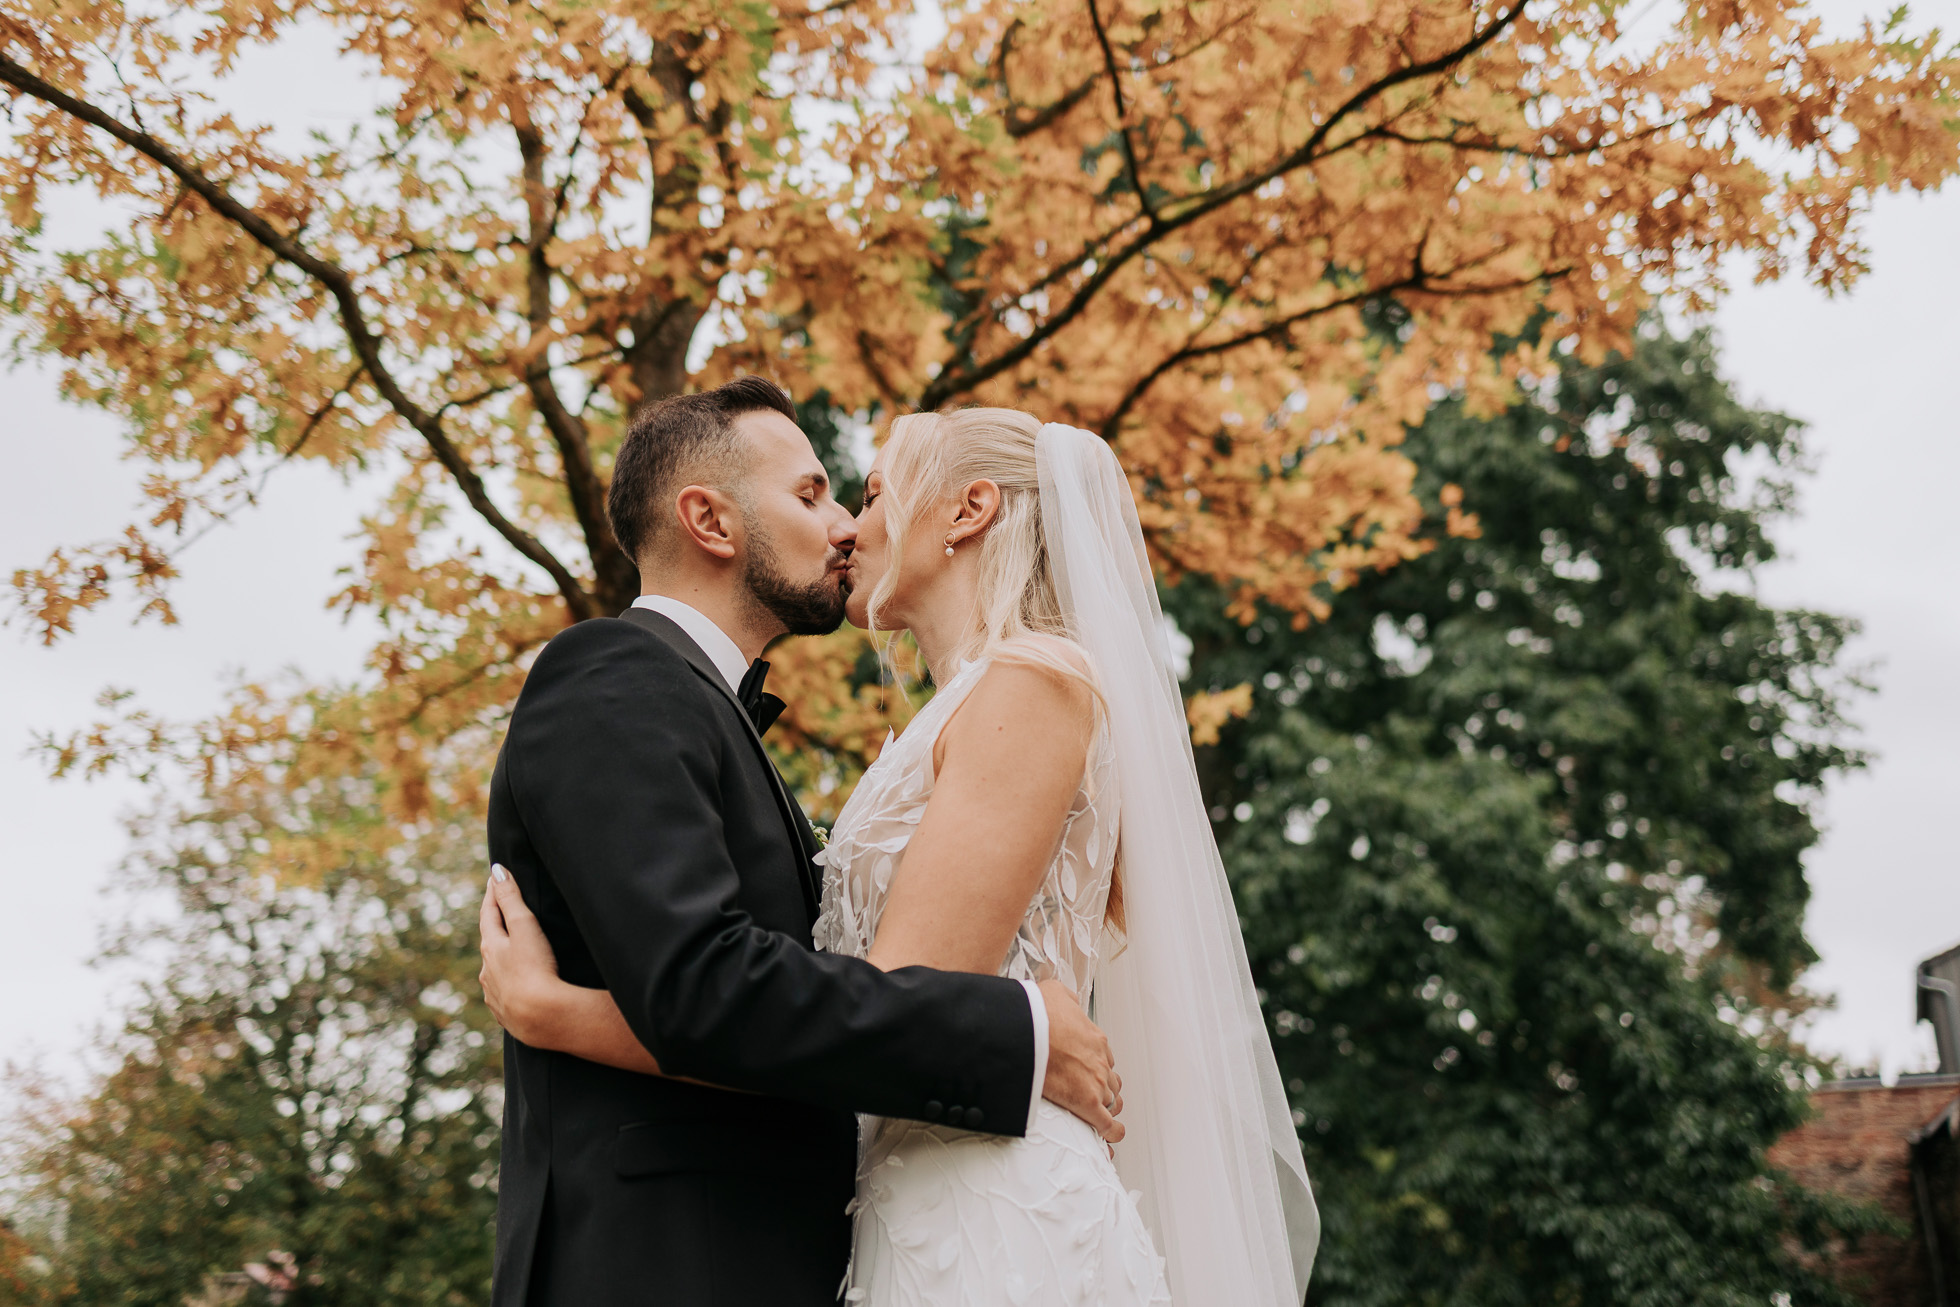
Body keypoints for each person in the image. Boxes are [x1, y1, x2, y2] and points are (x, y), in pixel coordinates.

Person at [483, 402, 1321, 1304]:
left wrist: (559, 1012)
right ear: (710, 521)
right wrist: (1023, 1032)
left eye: (869, 494)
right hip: (840, 1224)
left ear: (969, 511)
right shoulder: (623, 673)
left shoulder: (1029, 681)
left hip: (986, 1214)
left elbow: (850, 997)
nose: (848, 524)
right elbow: (745, 996)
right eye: (816, 494)